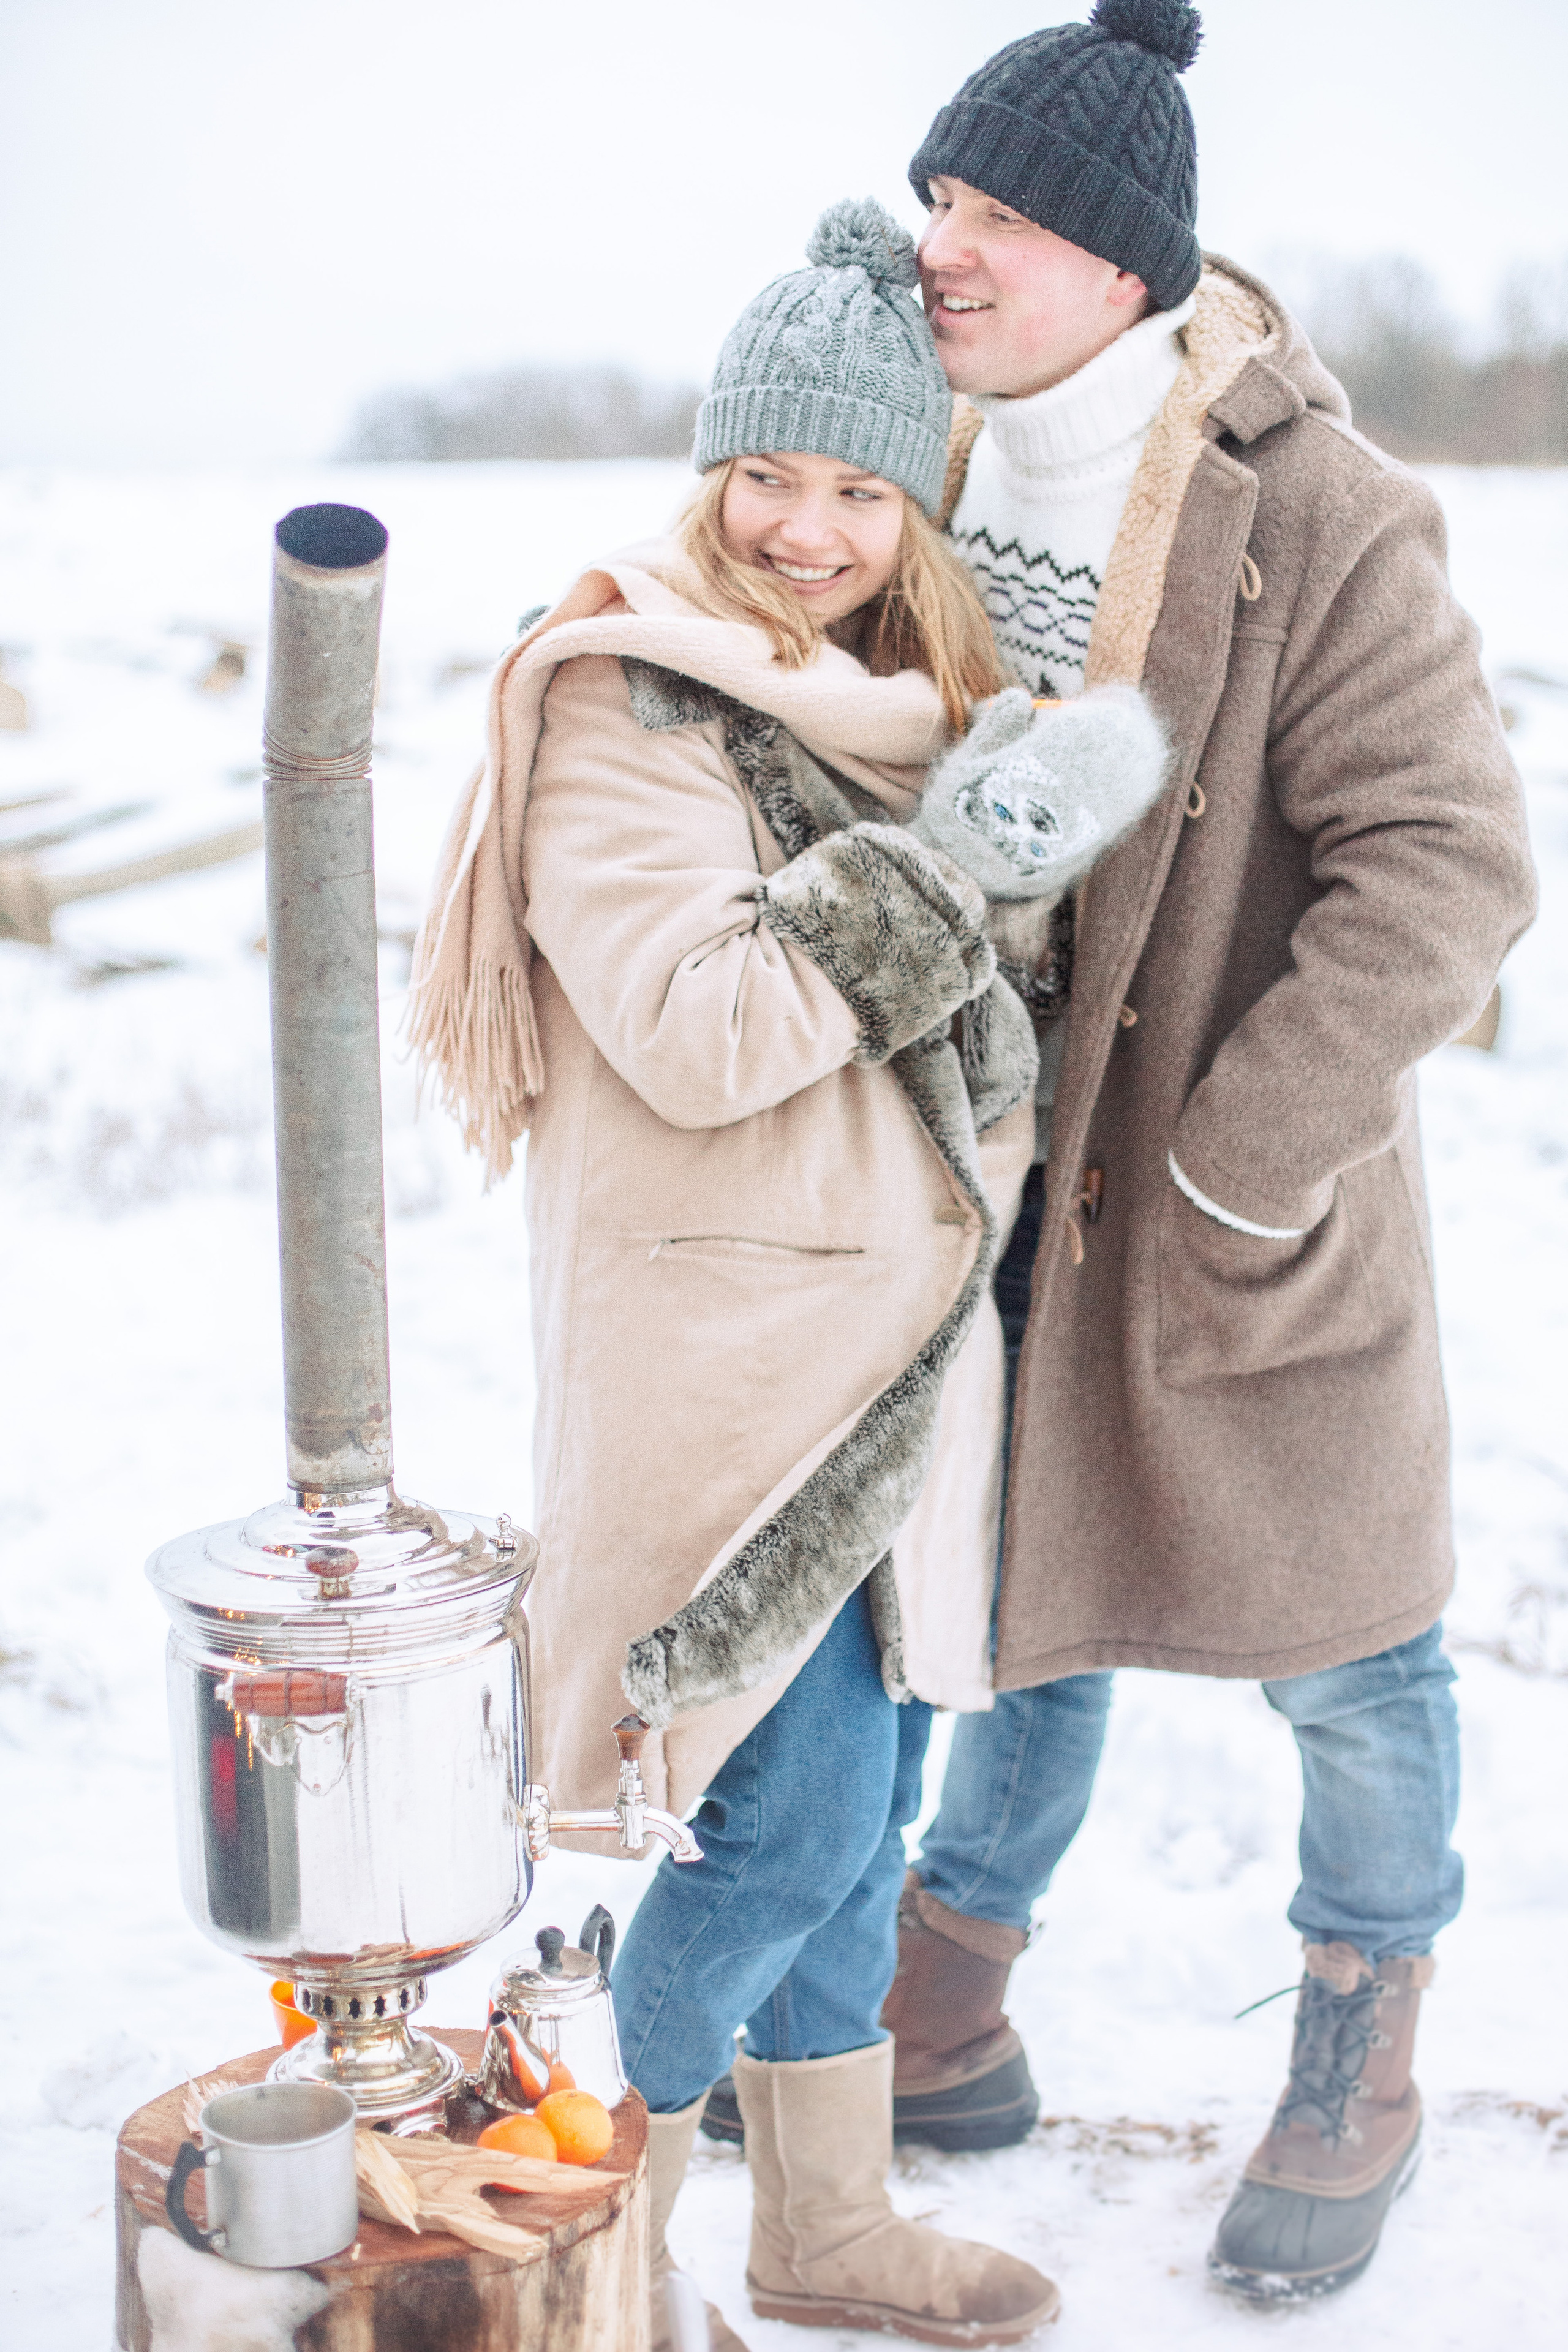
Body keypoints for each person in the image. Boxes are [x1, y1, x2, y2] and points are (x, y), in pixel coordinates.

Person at [795, 0, 1535, 2310]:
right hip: (980, 1176)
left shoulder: (1316, 507)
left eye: (999, 213)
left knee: (1352, 1647)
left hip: (1229, 1200)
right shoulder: (915, 457)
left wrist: (1243, 1162)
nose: (946, 245)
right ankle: (952, 1992)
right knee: (1022, 1587)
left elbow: (1451, 862)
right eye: (936, 199)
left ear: (1122, 260)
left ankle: (1361, 2029)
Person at [413, 198, 1165, 2348]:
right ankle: (577, 2229)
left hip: (903, 1339)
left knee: (874, 1804)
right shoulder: (629, 696)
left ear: (912, 499)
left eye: (856, 484)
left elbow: (964, 1034)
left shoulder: (908, 705)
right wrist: (956, 865)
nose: (806, 529)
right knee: (791, 1812)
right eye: (767, 473)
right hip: (733, 1348)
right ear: (710, 468)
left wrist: (1005, 865)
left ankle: (822, 2224)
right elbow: (705, 1026)